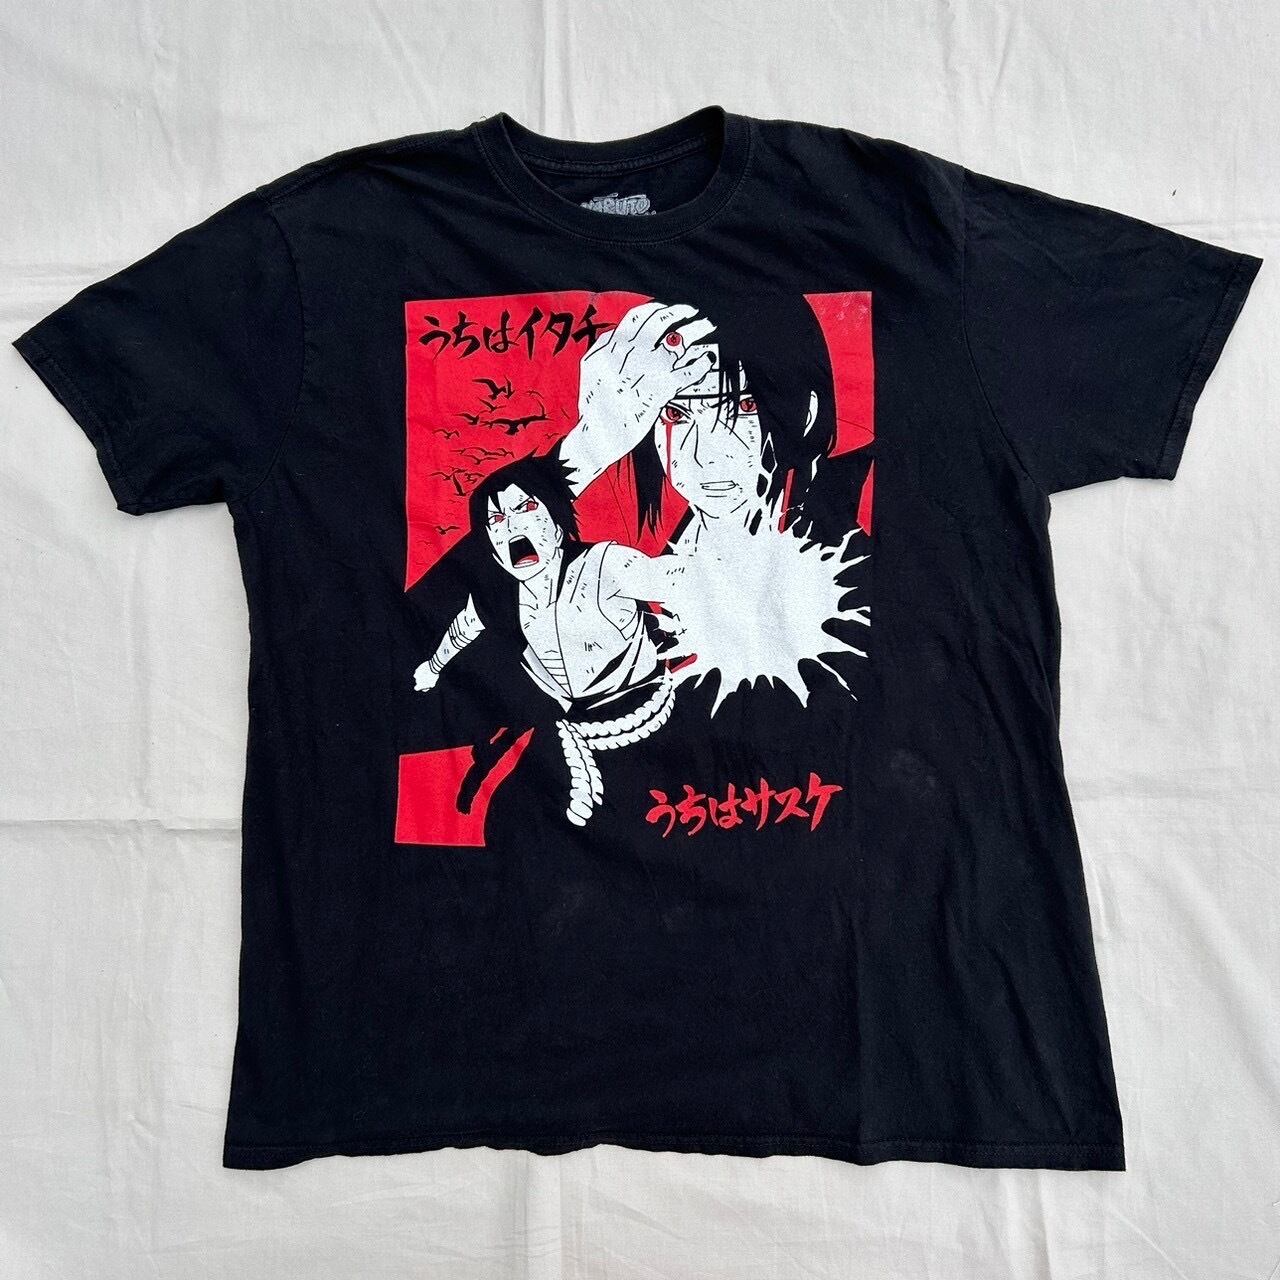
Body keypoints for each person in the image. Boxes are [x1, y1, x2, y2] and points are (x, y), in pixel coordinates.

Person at [413, 452, 690, 824]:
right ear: (491, 547)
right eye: (496, 519)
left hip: (654, 728)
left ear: (557, 524)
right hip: (571, 734)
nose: (511, 525)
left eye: (525, 507)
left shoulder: (604, 566)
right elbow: (464, 628)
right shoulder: (499, 596)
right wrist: (432, 668)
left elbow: (679, 578)